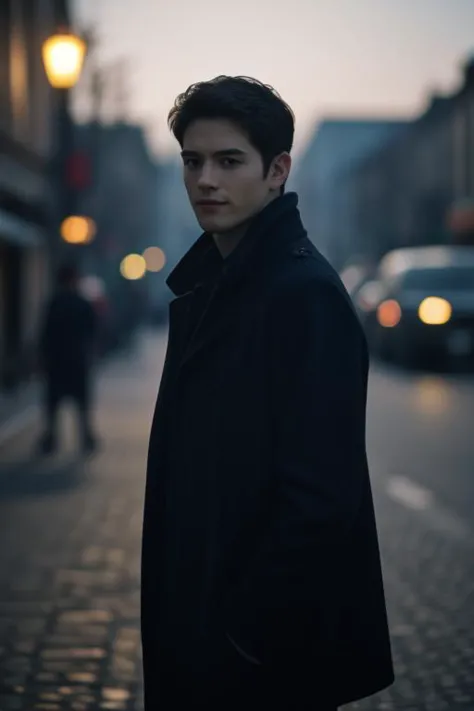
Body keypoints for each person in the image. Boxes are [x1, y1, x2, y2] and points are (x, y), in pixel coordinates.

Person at [141, 76, 394, 710]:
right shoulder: (219, 285)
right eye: (192, 162)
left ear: (277, 170)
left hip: (259, 659)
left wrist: (244, 630)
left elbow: (320, 496)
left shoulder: (301, 294)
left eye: (229, 161)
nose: (205, 180)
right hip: (209, 629)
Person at [37, 263, 98, 454]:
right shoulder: (82, 303)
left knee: (53, 403)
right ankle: (86, 437)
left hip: (57, 360)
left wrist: (43, 357)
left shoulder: (54, 302)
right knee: (82, 402)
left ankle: (51, 438)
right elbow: (92, 330)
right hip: (77, 359)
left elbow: (46, 333)